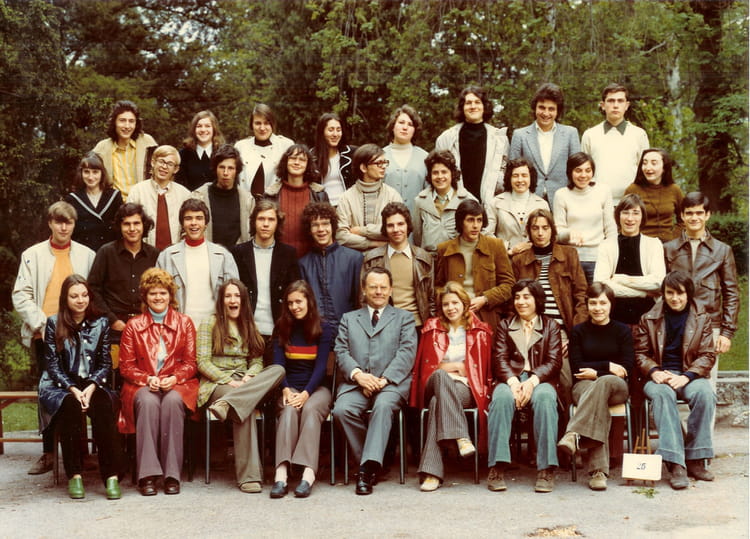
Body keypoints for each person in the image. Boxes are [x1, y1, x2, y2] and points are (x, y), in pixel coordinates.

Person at [12, 201, 95, 475]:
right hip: (45, 335)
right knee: (48, 392)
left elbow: (93, 294)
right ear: (50, 223)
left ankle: (82, 454)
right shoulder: (32, 255)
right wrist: (43, 324)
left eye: (68, 222)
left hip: (80, 335)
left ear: (74, 224)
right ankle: (48, 453)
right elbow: (21, 295)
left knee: (79, 388)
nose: (63, 227)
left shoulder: (87, 255)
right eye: (58, 221)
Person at [332, 267, 417, 495]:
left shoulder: (404, 318)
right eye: (373, 287)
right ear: (364, 289)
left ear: (391, 290)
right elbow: (341, 351)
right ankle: (373, 460)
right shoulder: (349, 318)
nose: (378, 291)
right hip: (356, 383)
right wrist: (359, 376)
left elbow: (407, 353)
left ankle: (365, 471)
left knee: (383, 406)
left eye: (383, 287)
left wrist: (383, 380)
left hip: (391, 384)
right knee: (342, 410)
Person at [38, 275, 124, 499]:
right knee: (70, 407)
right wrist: (73, 389)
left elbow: (105, 363)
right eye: (74, 296)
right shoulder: (53, 323)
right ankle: (74, 475)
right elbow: (52, 365)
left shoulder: (101, 323)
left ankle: (111, 476)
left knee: (104, 406)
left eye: (84, 295)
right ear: (65, 299)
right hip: (61, 384)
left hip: (93, 382)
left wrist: (92, 386)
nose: (80, 300)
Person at [198, 279, 284, 494]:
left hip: (246, 382)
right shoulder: (209, 323)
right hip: (218, 383)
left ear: (243, 300)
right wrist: (228, 381)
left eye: (237, 296)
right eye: (228, 296)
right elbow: (203, 362)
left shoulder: (249, 324)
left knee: (278, 370)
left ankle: (227, 404)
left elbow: (256, 360)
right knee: (244, 408)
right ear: (221, 300)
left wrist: (248, 377)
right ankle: (249, 477)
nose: (232, 300)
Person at [118, 268, 198, 496]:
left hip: (177, 384)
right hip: (142, 385)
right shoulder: (133, 325)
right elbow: (126, 366)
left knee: (172, 402)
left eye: (162, 292)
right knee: (148, 402)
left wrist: (175, 378)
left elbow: (191, 363)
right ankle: (148, 475)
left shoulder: (185, 323)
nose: (158, 297)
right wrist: (147, 379)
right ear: (145, 296)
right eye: (152, 293)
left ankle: (172, 474)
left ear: (170, 295)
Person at [634, 270, 716, 489]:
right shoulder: (649, 318)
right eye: (670, 293)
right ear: (663, 294)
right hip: (659, 375)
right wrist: (653, 371)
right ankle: (675, 462)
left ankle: (695, 458)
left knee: (705, 393)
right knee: (662, 394)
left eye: (680, 293)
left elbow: (708, 355)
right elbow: (640, 353)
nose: (675, 298)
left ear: (688, 294)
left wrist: (687, 376)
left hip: (689, 374)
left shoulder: (702, 318)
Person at [409, 282, 492, 491]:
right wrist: (453, 366)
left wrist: (454, 369)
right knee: (440, 376)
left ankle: (432, 473)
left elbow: (480, 371)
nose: (450, 308)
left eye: (455, 303)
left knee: (436, 404)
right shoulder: (432, 328)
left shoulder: (479, 331)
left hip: (464, 388)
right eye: (446, 304)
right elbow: (427, 367)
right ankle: (461, 436)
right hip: (434, 381)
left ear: (464, 304)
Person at [486, 279, 562, 493]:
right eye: (517, 297)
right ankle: (497, 466)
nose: (521, 302)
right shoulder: (505, 325)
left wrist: (532, 381)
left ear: (537, 300)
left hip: (540, 380)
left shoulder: (551, 326)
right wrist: (513, 382)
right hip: (510, 378)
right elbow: (499, 358)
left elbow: (554, 361)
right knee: (501, 399)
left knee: (545, 399)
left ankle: (546, 468)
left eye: (526, 297)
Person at [557, 282, 633, 491]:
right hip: (583, 386)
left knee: (603, 382)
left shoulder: (622, 331)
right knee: (598, 397)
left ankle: (573, 432)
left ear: (611, 305)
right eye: (593, 303)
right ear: (587, 305)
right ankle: (598, 472)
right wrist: (609, 366)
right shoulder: (578, 332)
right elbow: (577, 367)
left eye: (602, 303)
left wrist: (598, 371)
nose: (598, 308)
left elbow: (626, 367)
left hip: (616, 387)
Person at [663, 192, 739, 389]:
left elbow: (731, 293)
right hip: (674, 324)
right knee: (674, 382)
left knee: (706, 386)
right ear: (682, 216)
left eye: (699, 213)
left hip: (709, 325)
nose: (694, 217)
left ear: (707, 215)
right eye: (689, 213)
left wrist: (726, 332)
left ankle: (706, 413)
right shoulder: (668, 249)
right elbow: (661, 291)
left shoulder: (722, 251)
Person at [270, 281, 335, 499]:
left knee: (310, 409)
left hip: (317, 388)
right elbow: (278, 365)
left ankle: (308, 474)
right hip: (289, 387)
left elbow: (321, 367)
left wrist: (306, 393)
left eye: (299, 301)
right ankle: (281, 475)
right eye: (290, 303)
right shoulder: (282, 327)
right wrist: (286, 390)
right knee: (289, 411)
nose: (294, 307)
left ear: (309, 301)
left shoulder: (323, 328)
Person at [88, 203, 159, 363]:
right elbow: (93, 289)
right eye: (126, 224)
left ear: (144, 225)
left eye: (136, 223)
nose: (132, 229)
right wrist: (112, 320)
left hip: (147, 327)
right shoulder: (106, 252)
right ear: (119, 227)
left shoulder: (154, 255)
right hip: (113, 328)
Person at [156, 198, 239, 328]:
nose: (193, 223)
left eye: (199, 218)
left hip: (215, 329)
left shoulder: (223, 256)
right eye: (188, 218)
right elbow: (157, 296)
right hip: (178, 329)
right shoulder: (167, 256)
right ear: (182, 223)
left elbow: (235, 297)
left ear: (206, 223)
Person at [435, 199, 514, 332]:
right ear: (461, 222)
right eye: (470, 220)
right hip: (454, 317)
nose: (476, 225)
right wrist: (451, 303)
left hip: (487, 316)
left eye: (479, 220)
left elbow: (509, 285)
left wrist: (485, 298)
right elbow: (438, 286)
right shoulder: (444, 249)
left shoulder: (495, 246)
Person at [231, 200, 299, 350]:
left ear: (277, 223)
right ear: (253, 222)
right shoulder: (239, 252)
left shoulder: (288, 254)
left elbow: (294, 292)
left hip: (278, 331)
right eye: (261, 219)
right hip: (246, 331)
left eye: (271, 219)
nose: (266, 224)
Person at [512, 208, 588, 337]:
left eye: (545, 228)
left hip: (563, 331)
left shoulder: (569, 254)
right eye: (535, 228)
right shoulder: (519, 260)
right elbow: (513, 301)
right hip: (531, 331)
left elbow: (581, 295)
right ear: (529, 231)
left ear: (552, 229)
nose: (540, 233)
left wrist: (577, 333)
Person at [594, 194, 666, 326]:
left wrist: (620, 279)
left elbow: (658, 283)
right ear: (618, 216)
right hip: (614, 316)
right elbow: (601, 285)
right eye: (625, 212)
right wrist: (643, 293)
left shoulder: (654, 244)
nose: (630, 218)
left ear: (642, 217)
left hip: (648, 316)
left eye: (635, 213)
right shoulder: (606, 245)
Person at [362, 202, 434, 330]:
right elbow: (363, 298)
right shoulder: (372, 259)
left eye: (400, 224)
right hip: (384, 326)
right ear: (385, 228)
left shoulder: (424, 258)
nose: (396, 229)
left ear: (408, 226)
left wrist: (431, 327)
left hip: (417, 325)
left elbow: (432, 298)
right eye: (390, 225)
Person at [509, 83, 581, 208]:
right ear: (535, 108)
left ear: (558, 111)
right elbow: (512, 171)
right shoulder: (520, 135)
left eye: (551, 109)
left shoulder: (570, 133)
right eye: (542, 108)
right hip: (529, 201)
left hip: (563, 200)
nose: (546, 113)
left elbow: (577, 169)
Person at [435, 86, 509, 205]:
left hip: (489, 206)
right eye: (468, 103)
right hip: (455, 205)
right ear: (462, 107)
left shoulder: (499, 139)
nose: (473, 106)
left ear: (484, 106)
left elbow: (504, 174)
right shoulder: (446, 139)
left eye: (477, 102)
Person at [298, 202, 363, 334]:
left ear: (333, 226)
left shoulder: (354, 259)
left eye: (325, 223)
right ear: (309, 230)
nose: (321, 229)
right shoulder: (303, 264)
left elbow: (359, 302)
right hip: (315, 334)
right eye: (315, 225)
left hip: (348, 333)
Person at [553, 152, 617, 283]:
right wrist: (569, 233)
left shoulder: (603, 191)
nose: (583, 175)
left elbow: (611, 229)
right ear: (570, 172)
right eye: (578, 171)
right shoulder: (561, 195)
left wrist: (611, 257)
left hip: (598, 259)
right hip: (571, 259)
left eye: (588, 170)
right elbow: (557, 232)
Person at [581, 83, 650, 205]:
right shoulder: (590, 135)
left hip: (630, 203)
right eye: (611, 101)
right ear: (603, 105)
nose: (615, 105)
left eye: (620, 101)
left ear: (626, 105)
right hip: (597, 202)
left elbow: (645, 171)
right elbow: (584, 171)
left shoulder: (639, 135)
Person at [335, 143, 403, 251]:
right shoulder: (346, 198)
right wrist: (373, 243)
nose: (383, 167)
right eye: (378, 163)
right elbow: (341, 236)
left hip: (386, 256)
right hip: (357, 257)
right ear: (363, 168)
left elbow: (398, 229)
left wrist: (361, 231)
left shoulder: (392, 195)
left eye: (385, 162)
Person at [264, 144, 329, 256]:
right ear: (285, 162)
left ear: (308, 165)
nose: (297, 162)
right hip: (278, 258)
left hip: (312, 258)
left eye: (302, 160)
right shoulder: (271, 195)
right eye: (293, 158)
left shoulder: (319, 194)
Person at [412, 150, 477, 254]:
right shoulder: (420, 201)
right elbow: (417, 236)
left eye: (444, 172)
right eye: (435, 173)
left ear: (452, 173)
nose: (440, 176)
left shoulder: (467, 200)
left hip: (457, 258)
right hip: (428, 259)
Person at [127, 145, 192, 250]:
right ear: (153, 162)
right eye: (161, 161)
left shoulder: (184, 195)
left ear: (176, 169)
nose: (164, 167)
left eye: (170, 164)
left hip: (175, 253)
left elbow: (188, 227)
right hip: (144, 252)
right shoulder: (137, 191)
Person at [192, 144, 255, 248]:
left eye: (230, 168)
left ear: (237, 171)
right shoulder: (199, 196)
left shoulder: (247, 199)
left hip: (237, 255)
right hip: (207, 253)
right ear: (215, 169)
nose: (225, 173)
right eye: (222, 167)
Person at [92, 100, 157, 200]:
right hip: (115, 204)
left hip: (143, 202)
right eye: (122, 120)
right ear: (114, 122)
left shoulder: (148, 143)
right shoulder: (102, 148)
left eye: (131, 121)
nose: (127, 126)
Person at [487, 157, 549, 257]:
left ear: (531, 178)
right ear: (509, 178)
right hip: (504, 259)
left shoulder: (542, 204)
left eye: (524, 175)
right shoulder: (496, 203)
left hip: (534, 260)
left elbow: (548, 234)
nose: (520, 180)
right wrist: (508, 249)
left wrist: (532, 246)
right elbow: (487, 234)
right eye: (515, 176)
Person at [64, 151, 123, 251]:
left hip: (110, 252)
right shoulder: (72, 199)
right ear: (81, 173)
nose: (91, 177)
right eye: (86, 172)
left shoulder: (114, 196)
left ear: (102, 173)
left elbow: (121, 227)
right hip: (83, 251)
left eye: (95, 172)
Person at [624, 148, 684, 242]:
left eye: (654, 163)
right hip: (640, 243)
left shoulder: (674, 190)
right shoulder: (633, 189)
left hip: (668, 244)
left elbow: (684, 219)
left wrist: (674, 237)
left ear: (664, 167)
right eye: (645, 163)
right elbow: (622, 219)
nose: (648, 168)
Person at [235, 103, 294, 197]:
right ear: (251, 125)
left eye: (266, 123)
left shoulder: (286, 146)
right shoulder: (240, 147)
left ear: (272, 124)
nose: (262, 128)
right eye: (258, 123)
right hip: (245, 201)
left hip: (276, 201)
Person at [382, 105, 428, 213]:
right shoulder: (380, 156)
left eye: (410, 124)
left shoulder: (425, 157)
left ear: (415, 130)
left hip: (418, 220)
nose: (405, 127)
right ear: (393, 126)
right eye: (401, 122)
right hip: (385, 221)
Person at [312, 112, 357, 207]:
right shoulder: (311, 156)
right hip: (323, 208)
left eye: (338, 130)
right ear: (322, 132)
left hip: (348, 207)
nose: (335, 134)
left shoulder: (352, 153)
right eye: (331, 130)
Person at [176, 110, 225, 192]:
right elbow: (179, 186)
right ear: (194, 129)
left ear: (214, 129)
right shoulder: (183, 155)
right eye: (199, 126)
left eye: (207, 126)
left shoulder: (223, 154)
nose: (203, 129)